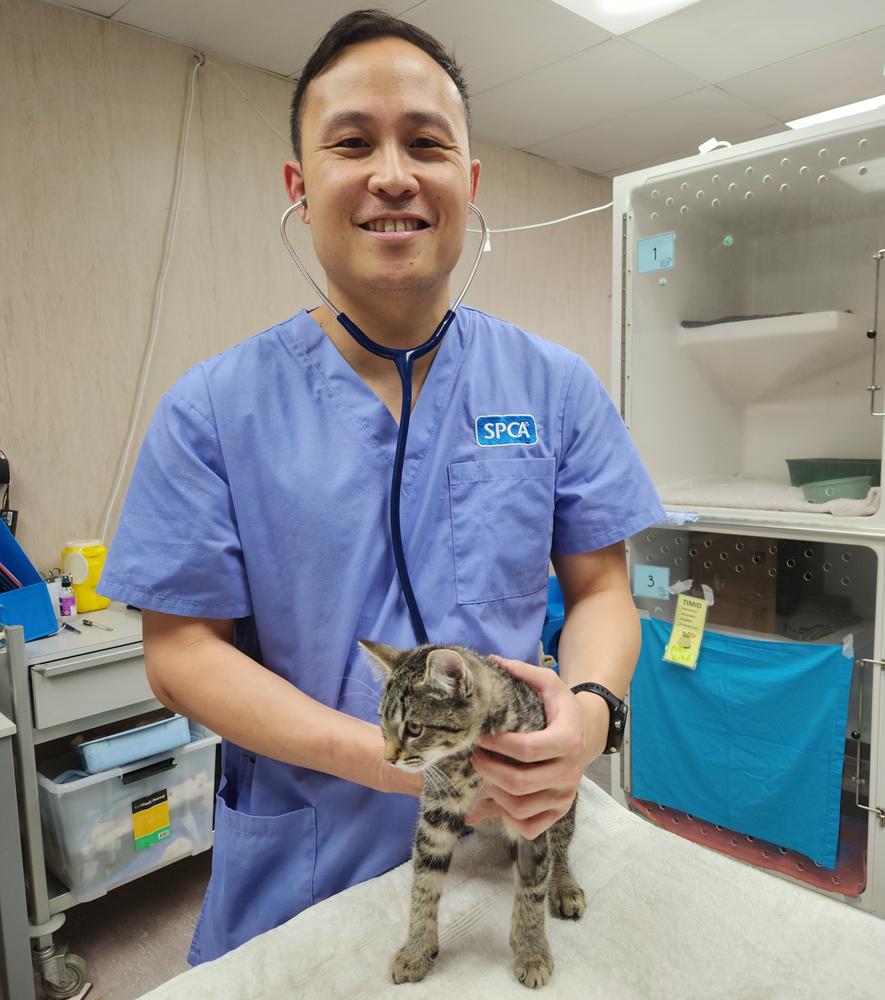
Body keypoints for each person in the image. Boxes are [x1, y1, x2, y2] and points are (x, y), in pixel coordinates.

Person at [99, 9, 665, 964]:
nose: (393, 174)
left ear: (468, 182)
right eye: (352, 142)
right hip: (305, 866)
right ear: (301, 184)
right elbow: (181, 655)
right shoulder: (212, 409)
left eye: (427, 144)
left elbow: (602, 591)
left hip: (508, 843)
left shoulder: (554, 387)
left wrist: (590, 715)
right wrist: (403, 763)